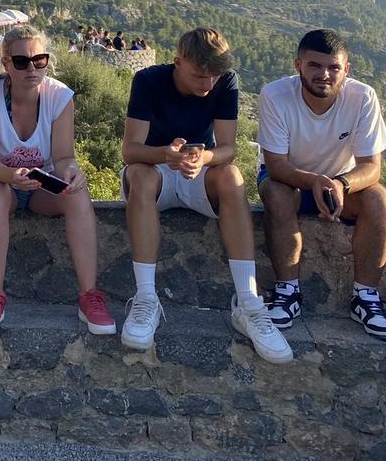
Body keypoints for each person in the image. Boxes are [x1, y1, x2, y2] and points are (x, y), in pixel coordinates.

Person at [120, 27, 292, 364]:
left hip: (200, 173)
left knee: (231, 176)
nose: (209, 85)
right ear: (177, 63)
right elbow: (130, 151)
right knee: (138, 176)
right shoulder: (148, 81)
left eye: (215, 76)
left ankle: (249, 304)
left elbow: (227, 149)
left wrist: (205, 158)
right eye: (200, 76)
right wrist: (166, 155)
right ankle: (146, 299)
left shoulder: (226, 81)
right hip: (154, 171)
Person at [0, 26, 114, 337]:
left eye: (39, 59)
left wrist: (72, 170)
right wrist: (11, 177)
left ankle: (90, 296)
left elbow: (63, 157)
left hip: (39, 184)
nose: (32, 68)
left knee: (77, 193)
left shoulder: (59, 97)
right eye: (21, 61)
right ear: (6, 64)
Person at [257, 29, 386, 340]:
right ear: (298, 65)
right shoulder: (275, 95)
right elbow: (277, 165)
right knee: (275, 192)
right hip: (289, 180)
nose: (324, 74)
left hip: (340, 184)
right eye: (315, 66)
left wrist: (340, 184)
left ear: (346, 69)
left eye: (333, 67)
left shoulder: (363, 97)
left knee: (379, 199)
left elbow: (371, 168)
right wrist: (316, 182)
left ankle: (365, 298)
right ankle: (288, 293)